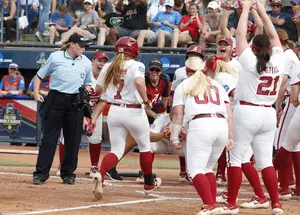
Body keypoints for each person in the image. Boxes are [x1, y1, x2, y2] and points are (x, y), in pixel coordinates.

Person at [220, 1, 284, 214]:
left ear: (255, 48)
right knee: (265, 161)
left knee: (236, 158)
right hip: (268, 113)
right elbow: (274, 36)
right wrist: (261, 11)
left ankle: (231, 203)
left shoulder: (249, 59)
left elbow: (239, 35)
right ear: (269, 48)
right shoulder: (279, 59)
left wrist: (246, 8)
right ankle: (276, 203)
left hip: (247, 111)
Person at [91, 36, 161, 200]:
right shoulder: (137, 65)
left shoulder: (108, 65)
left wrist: (93, 99)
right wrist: (146, 100)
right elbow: (139, 83)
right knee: (145, 147)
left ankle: (100, 173)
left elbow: (99, 89)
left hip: (115, 110)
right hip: (134, 111)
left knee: (116, 150)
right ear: (133, 50)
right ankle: (148, 184)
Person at [171, 56, 234, 214]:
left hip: (201, 124)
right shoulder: (216, 84)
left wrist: (174, 136)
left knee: (194, 170)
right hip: (221, 125)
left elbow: (177, 114)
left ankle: (210, 205)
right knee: (207, 168)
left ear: (187, 71)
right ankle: (212, 203)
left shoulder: (184, 84)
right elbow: (229, 113)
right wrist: (230, 136)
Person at [32, 33, 93, 185]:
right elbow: (39, 76)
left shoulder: (86, 62)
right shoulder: (55, 57)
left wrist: (85, 94)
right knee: (49, 138)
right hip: (56, 98)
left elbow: (88, 82)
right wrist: (35, 93)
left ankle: (68, 174)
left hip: (75, 102)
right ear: (71, 44)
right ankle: (41, 173)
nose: (84, 49)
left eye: (85, 46)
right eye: (81, 45)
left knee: (73, 140)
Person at [56, 51, 109, 178]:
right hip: (76, 108)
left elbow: (103, 101)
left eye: (104, 61)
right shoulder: (85, 73)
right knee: (67, 137)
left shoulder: (106, 79)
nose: (102, 64)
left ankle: (94, 166)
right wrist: (83, 114)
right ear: (93, 61)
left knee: (96, 138)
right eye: (99, 60)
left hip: (94, 110)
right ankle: (62, 164)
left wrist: (93, 118)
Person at [273, 29, 300, 200]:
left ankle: (281, 184)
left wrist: (277, 105)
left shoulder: (290, 58)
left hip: (293, 102)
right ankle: (294, 185)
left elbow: (286, 83)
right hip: (293, 101)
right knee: (295, 145)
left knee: (282, 142)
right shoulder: (293, 56)